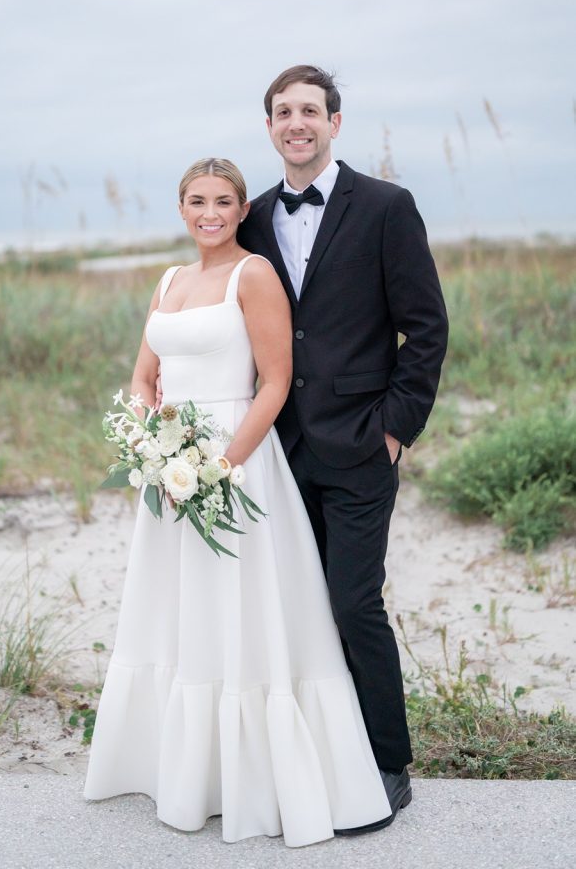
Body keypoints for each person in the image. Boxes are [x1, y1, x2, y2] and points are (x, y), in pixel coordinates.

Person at [84, 158, 393, 846]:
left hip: (238, 462)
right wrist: (148, 443)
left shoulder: (254, 276)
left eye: (224, 201)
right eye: (197, 201)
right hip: (170, 472)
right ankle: (184, 771)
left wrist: (219, 464)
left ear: (241, 208)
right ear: (181, 207)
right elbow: (144, 374)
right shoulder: (169, 280)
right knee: (178, 613)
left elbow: (276, 383)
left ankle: (253, 777)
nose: (210, 213)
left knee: (239, 613)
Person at [238, 65, 449, 831]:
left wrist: (395, 429)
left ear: (334, 123)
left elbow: (425, 328)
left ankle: (387, 763)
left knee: (354, 602)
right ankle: (319, 751)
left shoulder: (388, 208)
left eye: (310, 111)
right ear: (269, 128)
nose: (296, 123)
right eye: (282, 112)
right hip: (280, 453)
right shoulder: (253, 216)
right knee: (295, 607)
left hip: (362, 444)